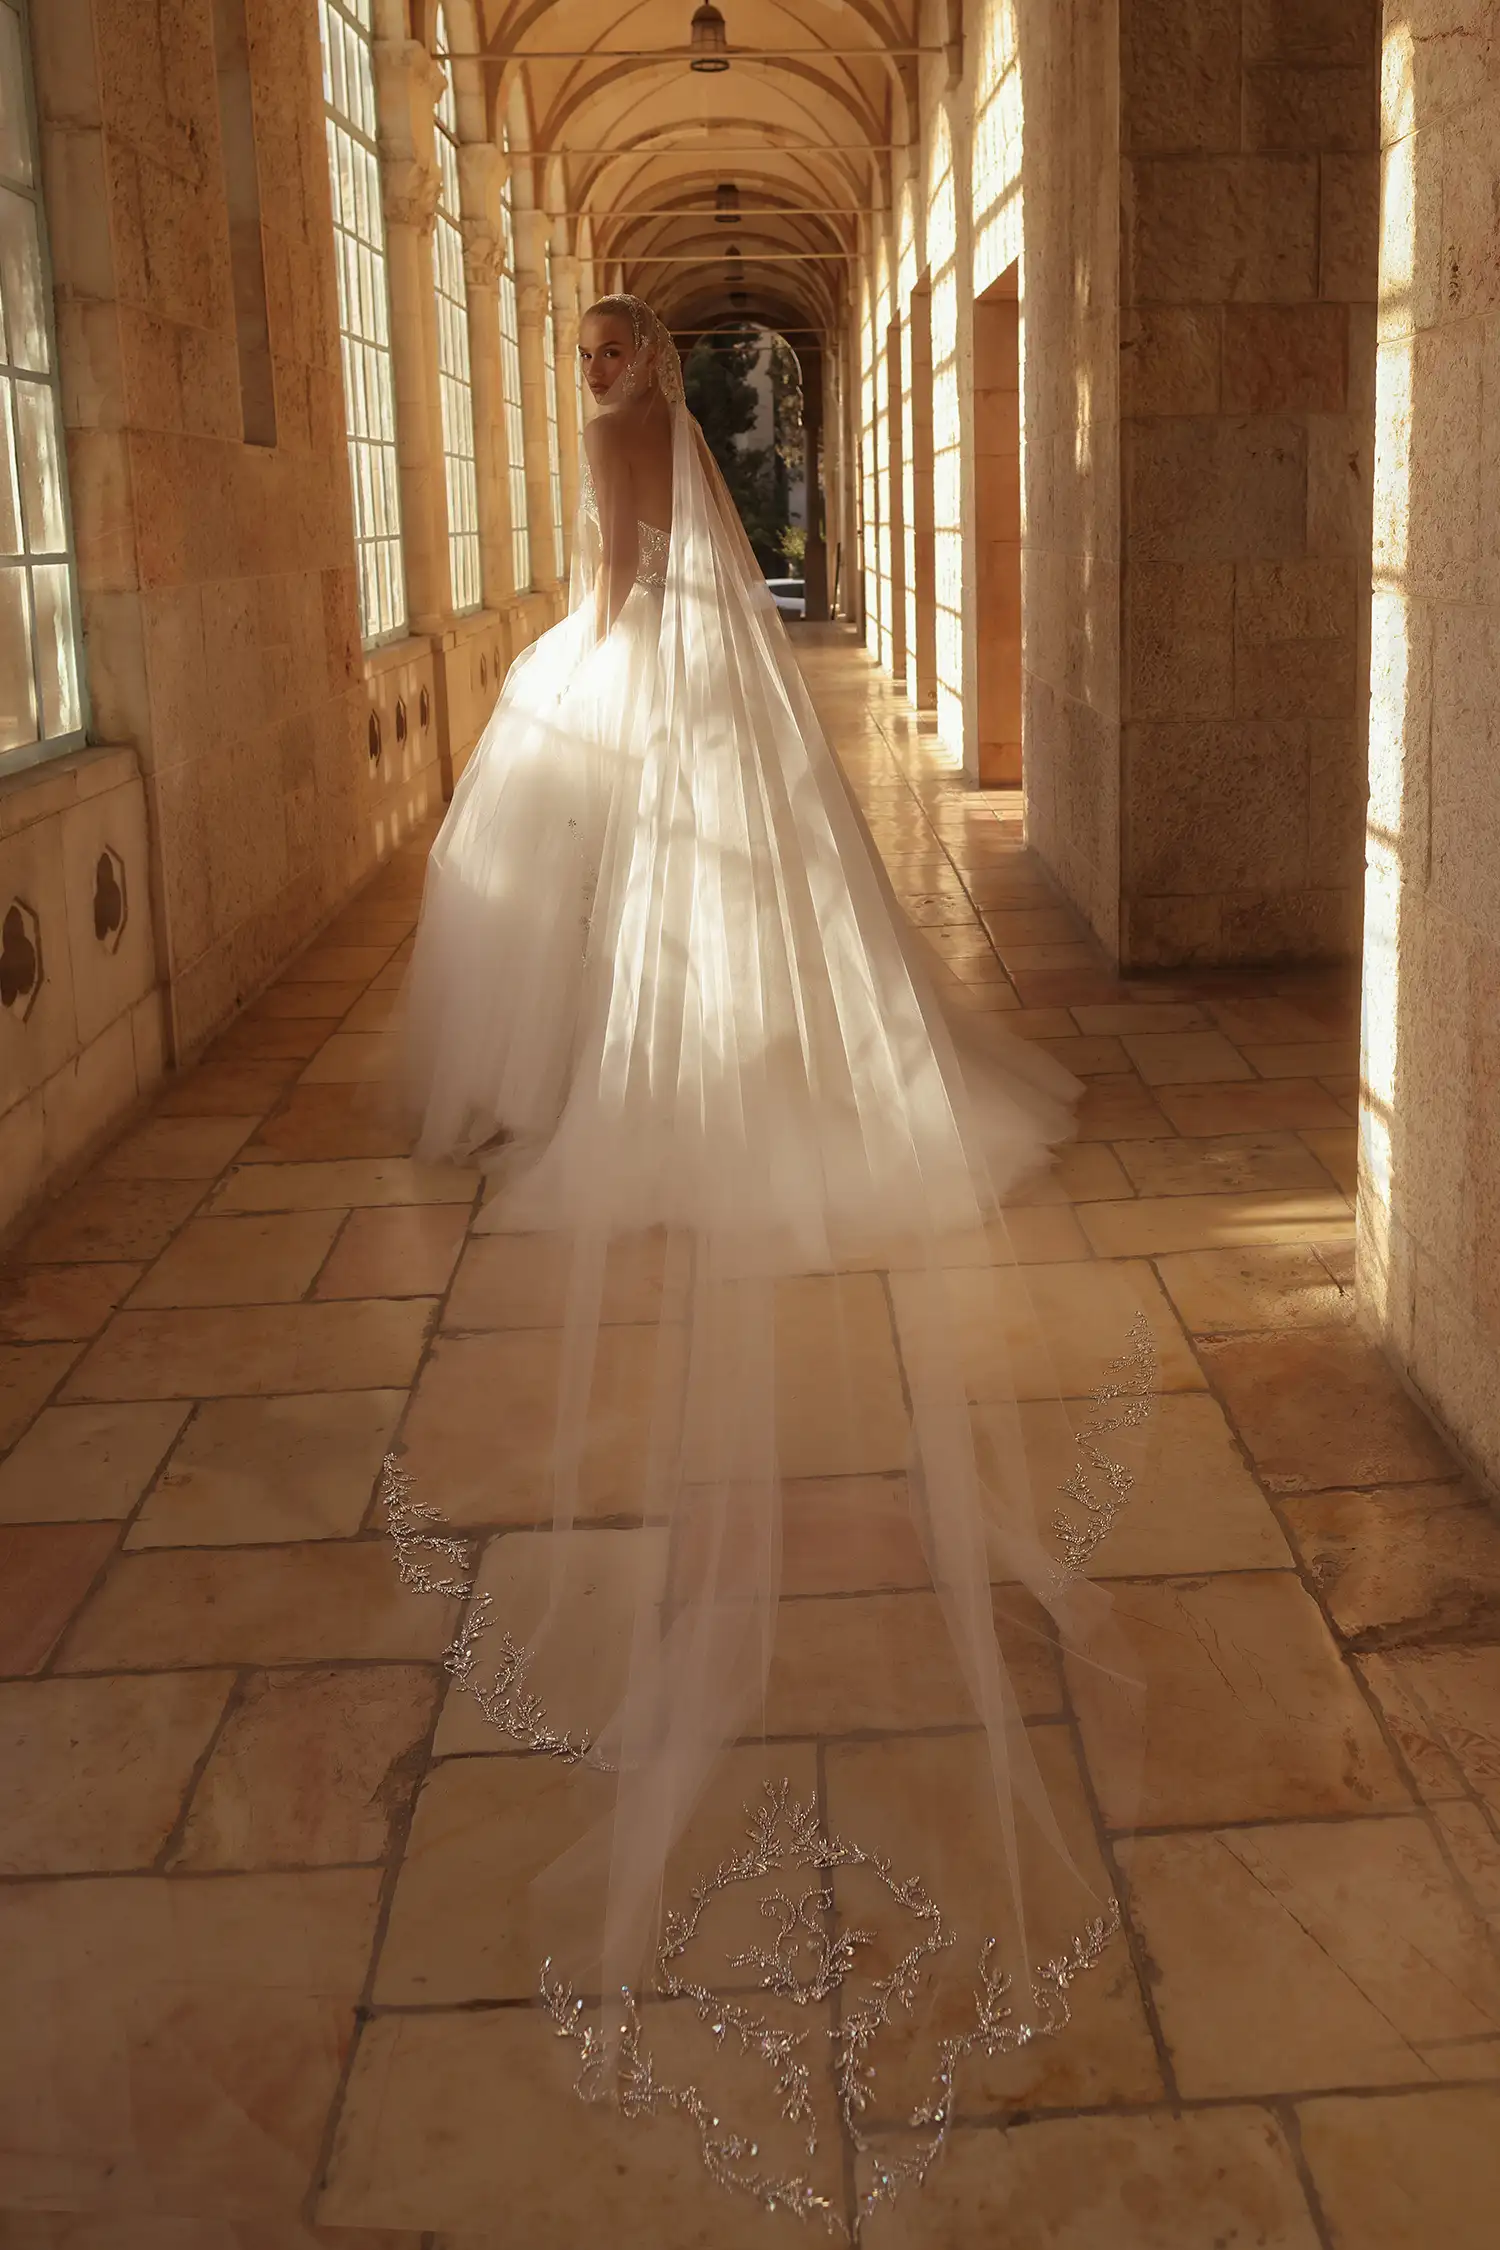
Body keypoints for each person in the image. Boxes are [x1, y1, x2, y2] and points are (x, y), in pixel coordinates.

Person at [387, 296, 1150, 2230]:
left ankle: (615, 1078)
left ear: (628, 361)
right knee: (641, 897)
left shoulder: (625, 435)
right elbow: (642, 549)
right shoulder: (644, 424)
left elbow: (628, 561)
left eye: (601, 344)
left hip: (645, 657)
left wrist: (603, 643)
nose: (589, 367)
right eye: (580, 341)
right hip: (668, 663)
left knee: (600, 884)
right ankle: (631, 1063)